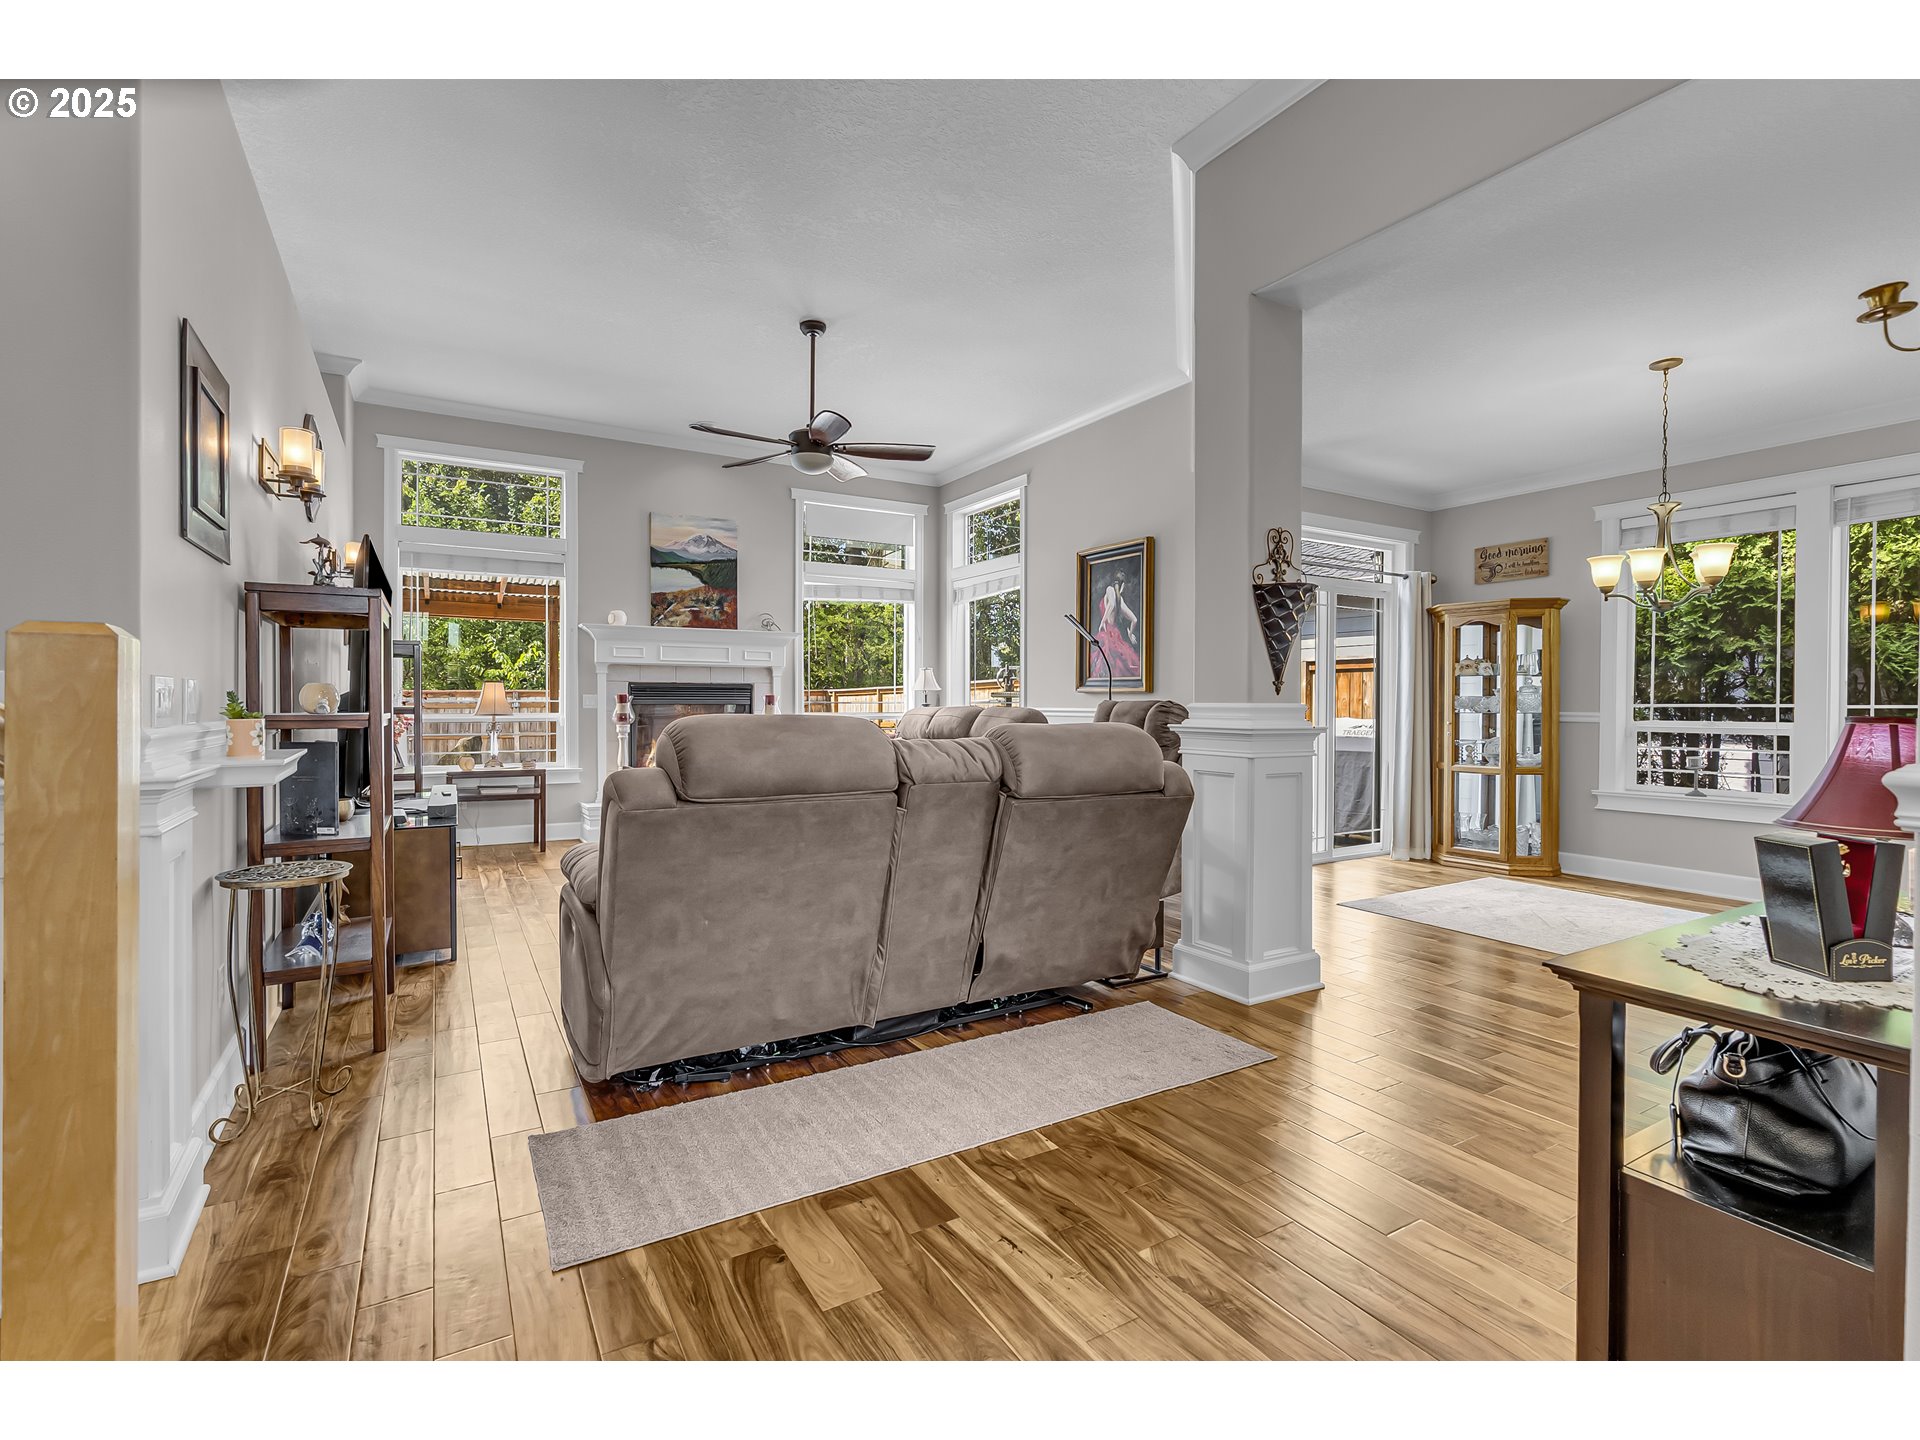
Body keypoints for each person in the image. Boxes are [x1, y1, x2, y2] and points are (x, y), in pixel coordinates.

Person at [1093, 574, 1142, 678]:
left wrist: (1102, 621)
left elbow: (1112, 604)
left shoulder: (1110, 589)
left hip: (1107, 633)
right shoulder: (1121, 601)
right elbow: (1134, 620)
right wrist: (1130, 633)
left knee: (1108, 663)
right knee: (1116, 665)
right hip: (1115, 634)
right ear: (1123, 586)